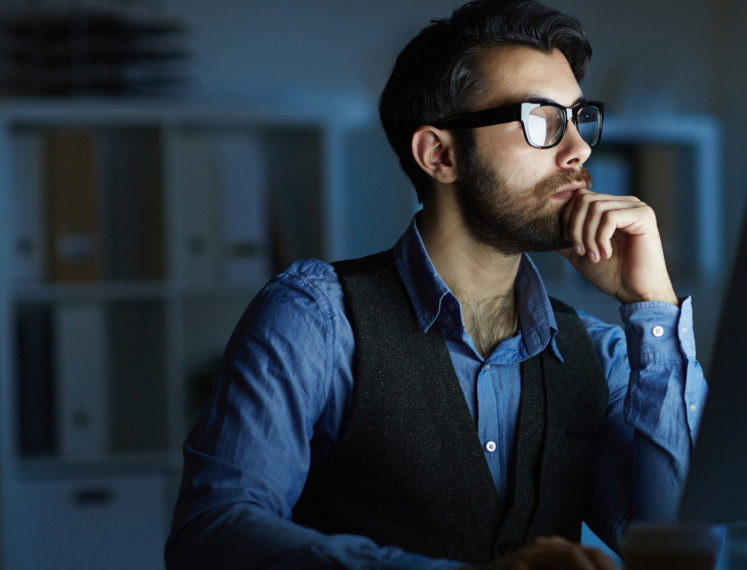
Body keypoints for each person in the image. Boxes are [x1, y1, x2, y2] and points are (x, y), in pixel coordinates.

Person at [165, 1, 707, 568]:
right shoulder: (315, 318)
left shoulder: (603, 354)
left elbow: (681, 547)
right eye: (542, 120)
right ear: (439, 154)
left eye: (578, 118)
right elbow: (211, 533)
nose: (579, 149)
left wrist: (654, 307)